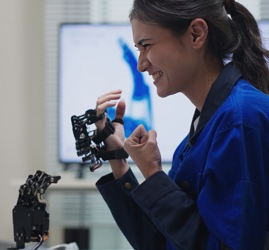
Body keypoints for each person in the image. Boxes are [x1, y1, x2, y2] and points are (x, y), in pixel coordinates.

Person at [94, 0, 269, 249]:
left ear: (196, 35)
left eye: (146, 46)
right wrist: (117, 158)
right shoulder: (210, 124)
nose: (141, 64)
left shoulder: (238, 122)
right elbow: (161, 241)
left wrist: (154, 174)